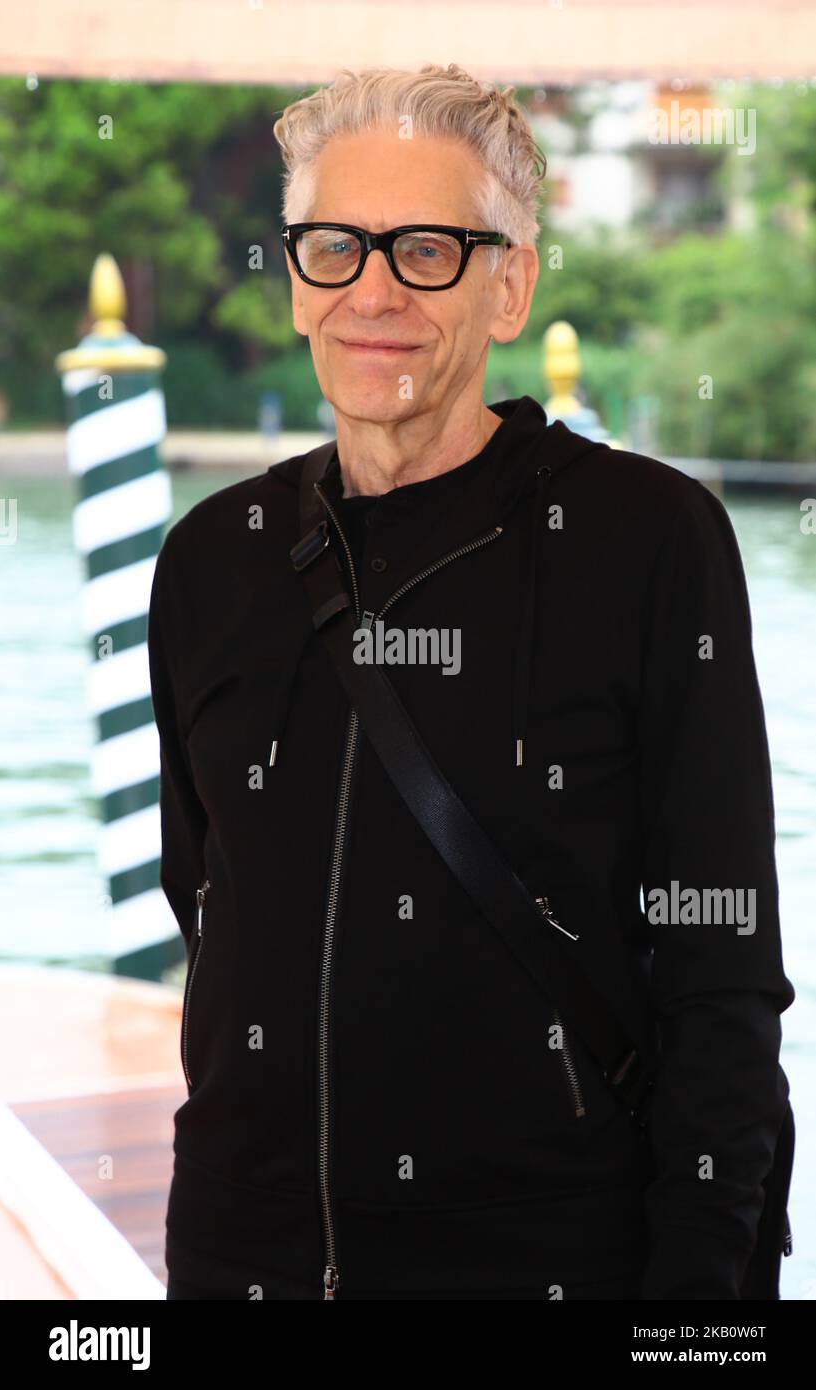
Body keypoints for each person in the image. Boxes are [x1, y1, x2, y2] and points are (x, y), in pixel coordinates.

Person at [149, 63, 794, 1300]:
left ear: (512, 284)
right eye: (334, 245)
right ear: (294, 279)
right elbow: (212, 901)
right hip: (243, 1254)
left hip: (548, 1262)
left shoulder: (647, 543)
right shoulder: (209, 562)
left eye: (430, 249)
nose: (374, 291)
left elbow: (719, 972)